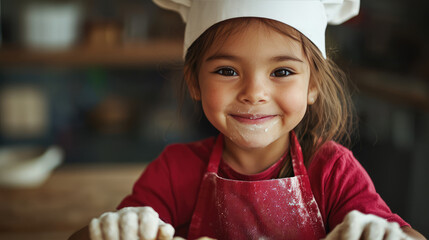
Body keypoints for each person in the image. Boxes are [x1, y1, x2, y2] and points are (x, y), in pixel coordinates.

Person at [70, 0, 426, 239]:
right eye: (227, 70)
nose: (254, 92)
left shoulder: (332, 171)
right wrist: (116, 229)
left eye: (282, 71)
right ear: (194, 81)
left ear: (313, 85)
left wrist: (383, 234)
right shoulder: (175, 171)